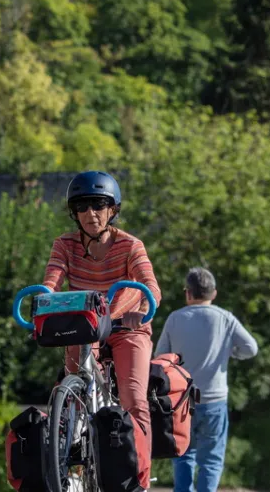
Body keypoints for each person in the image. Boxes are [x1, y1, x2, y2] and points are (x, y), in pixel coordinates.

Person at [43, 171, 161, 490]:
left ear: (113, 210)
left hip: (126, 327)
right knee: (71, 389)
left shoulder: (130, 245)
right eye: (82, 207)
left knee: (134, 398)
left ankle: (140, 479)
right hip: (85, 327)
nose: (90, 213)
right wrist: (44, 299)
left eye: (98, 205)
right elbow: (52, 279)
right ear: (74, 213)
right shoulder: (64, 244)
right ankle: (71, 446)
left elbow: (149, 287)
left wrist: (125, 311)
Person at [155, 267, 259, 492]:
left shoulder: (175, 319)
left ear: (188, 293)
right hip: (214, 401)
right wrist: (230, 352)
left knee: (182, 454)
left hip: (182, 401)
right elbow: (251, 348)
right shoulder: (225, 319)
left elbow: (160, 357)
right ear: (214, 293)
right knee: (211, 460)